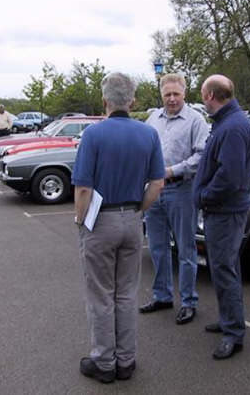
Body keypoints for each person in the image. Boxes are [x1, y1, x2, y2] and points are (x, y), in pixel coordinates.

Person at [72, 72, 165, 383]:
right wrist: (138, 210)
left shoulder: (94, 135)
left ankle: (104, 361)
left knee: (100, 295)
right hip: (131, 220)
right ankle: (126, 359)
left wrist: (80, 220)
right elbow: (157, 183)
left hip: (100, 221)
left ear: (105, 100)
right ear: (132, 100)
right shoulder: (149, 134)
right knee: (126, 294)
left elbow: (83, 189)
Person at [193, 74, 250, 360]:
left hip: (225, 211)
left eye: (202, 94)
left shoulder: (231, 127)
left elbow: (229, 177)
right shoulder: (228, 123)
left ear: (210, 96)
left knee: (224, 270)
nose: (202, 99)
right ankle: (230, 321)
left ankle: (233, 333)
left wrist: (205, 196)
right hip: (223, 210)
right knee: (224, 268)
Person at [140, 73, 209, 325]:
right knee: (158, 247)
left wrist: (172, 170)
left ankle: (189, 301)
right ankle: (162, 295)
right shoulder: (152, 120)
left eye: (175, 94)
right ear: (161, 94)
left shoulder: (195, 121)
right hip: (154, 190)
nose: (171, 99)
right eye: (167, 94)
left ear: (184, 93)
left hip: (181, 190)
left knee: (186, 249)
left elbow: (201, 156)